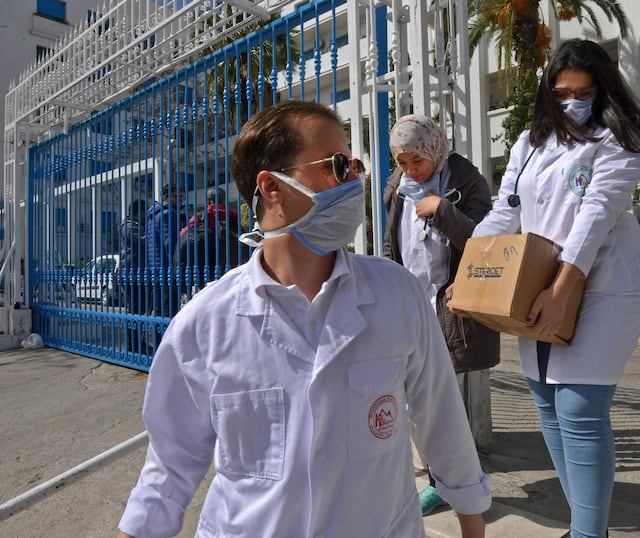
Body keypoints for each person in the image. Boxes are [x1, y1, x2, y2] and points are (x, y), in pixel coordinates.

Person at [116, 100, 490, 538]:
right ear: (272, 187)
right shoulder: (204, 325)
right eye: (337, 164)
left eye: (354, 164)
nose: (356, 179)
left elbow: (442, 418)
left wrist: (470, 515)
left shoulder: (396, 295)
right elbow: (169, 468)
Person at [462, 39, 640, 538]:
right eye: (562, 91)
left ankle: (590, 534)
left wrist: (564, 288)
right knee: (548, 406)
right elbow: (505, 211)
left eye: (585, 91)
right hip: (535, 286)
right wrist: (468, 275)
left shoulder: (620, 138)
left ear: (604, 89)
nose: (573, 100)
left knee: (579, 411)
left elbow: (596, 214)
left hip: (598, 291)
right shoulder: (532, 142)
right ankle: (582, 523)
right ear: (548, 91)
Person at [383, 114, 500, 516]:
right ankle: (439, 480)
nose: (410, 170)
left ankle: (461, 485)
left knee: (450, 403)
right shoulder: (397, 189)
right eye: (402, 162)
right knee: (417, 401)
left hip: (450, 307)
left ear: (434, 148)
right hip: (409, 305)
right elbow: (390, 246)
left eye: (417, 161)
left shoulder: (467, 183)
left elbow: (489, 244)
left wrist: (441, 210)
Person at [176, 186, 243, 289]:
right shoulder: (234, 218)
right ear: (224, 200)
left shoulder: (200, 217)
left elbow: (182, 235)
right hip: (231, 271)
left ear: (208, 201)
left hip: (208, 271)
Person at [144, 183, 185, 346]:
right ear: (166, 198)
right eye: (176, 197)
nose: (179, 200)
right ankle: (168, 350)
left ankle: (158, 347)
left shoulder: (152, 216)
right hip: (167, 270)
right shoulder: (168, 215)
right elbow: (171, 244)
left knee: (159, 313)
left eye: (181, 197)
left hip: (155, 269)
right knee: (169, 312)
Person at [119, 199, 148, 353]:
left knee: (140, 310)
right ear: (137, 212)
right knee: (134, 310)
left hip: (138, 273)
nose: (147, 214)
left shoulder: (137, 226)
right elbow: (145, 240)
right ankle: (133, 346)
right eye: (145, 211)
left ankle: (139, 343)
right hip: (131, 273)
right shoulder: (129, 226)